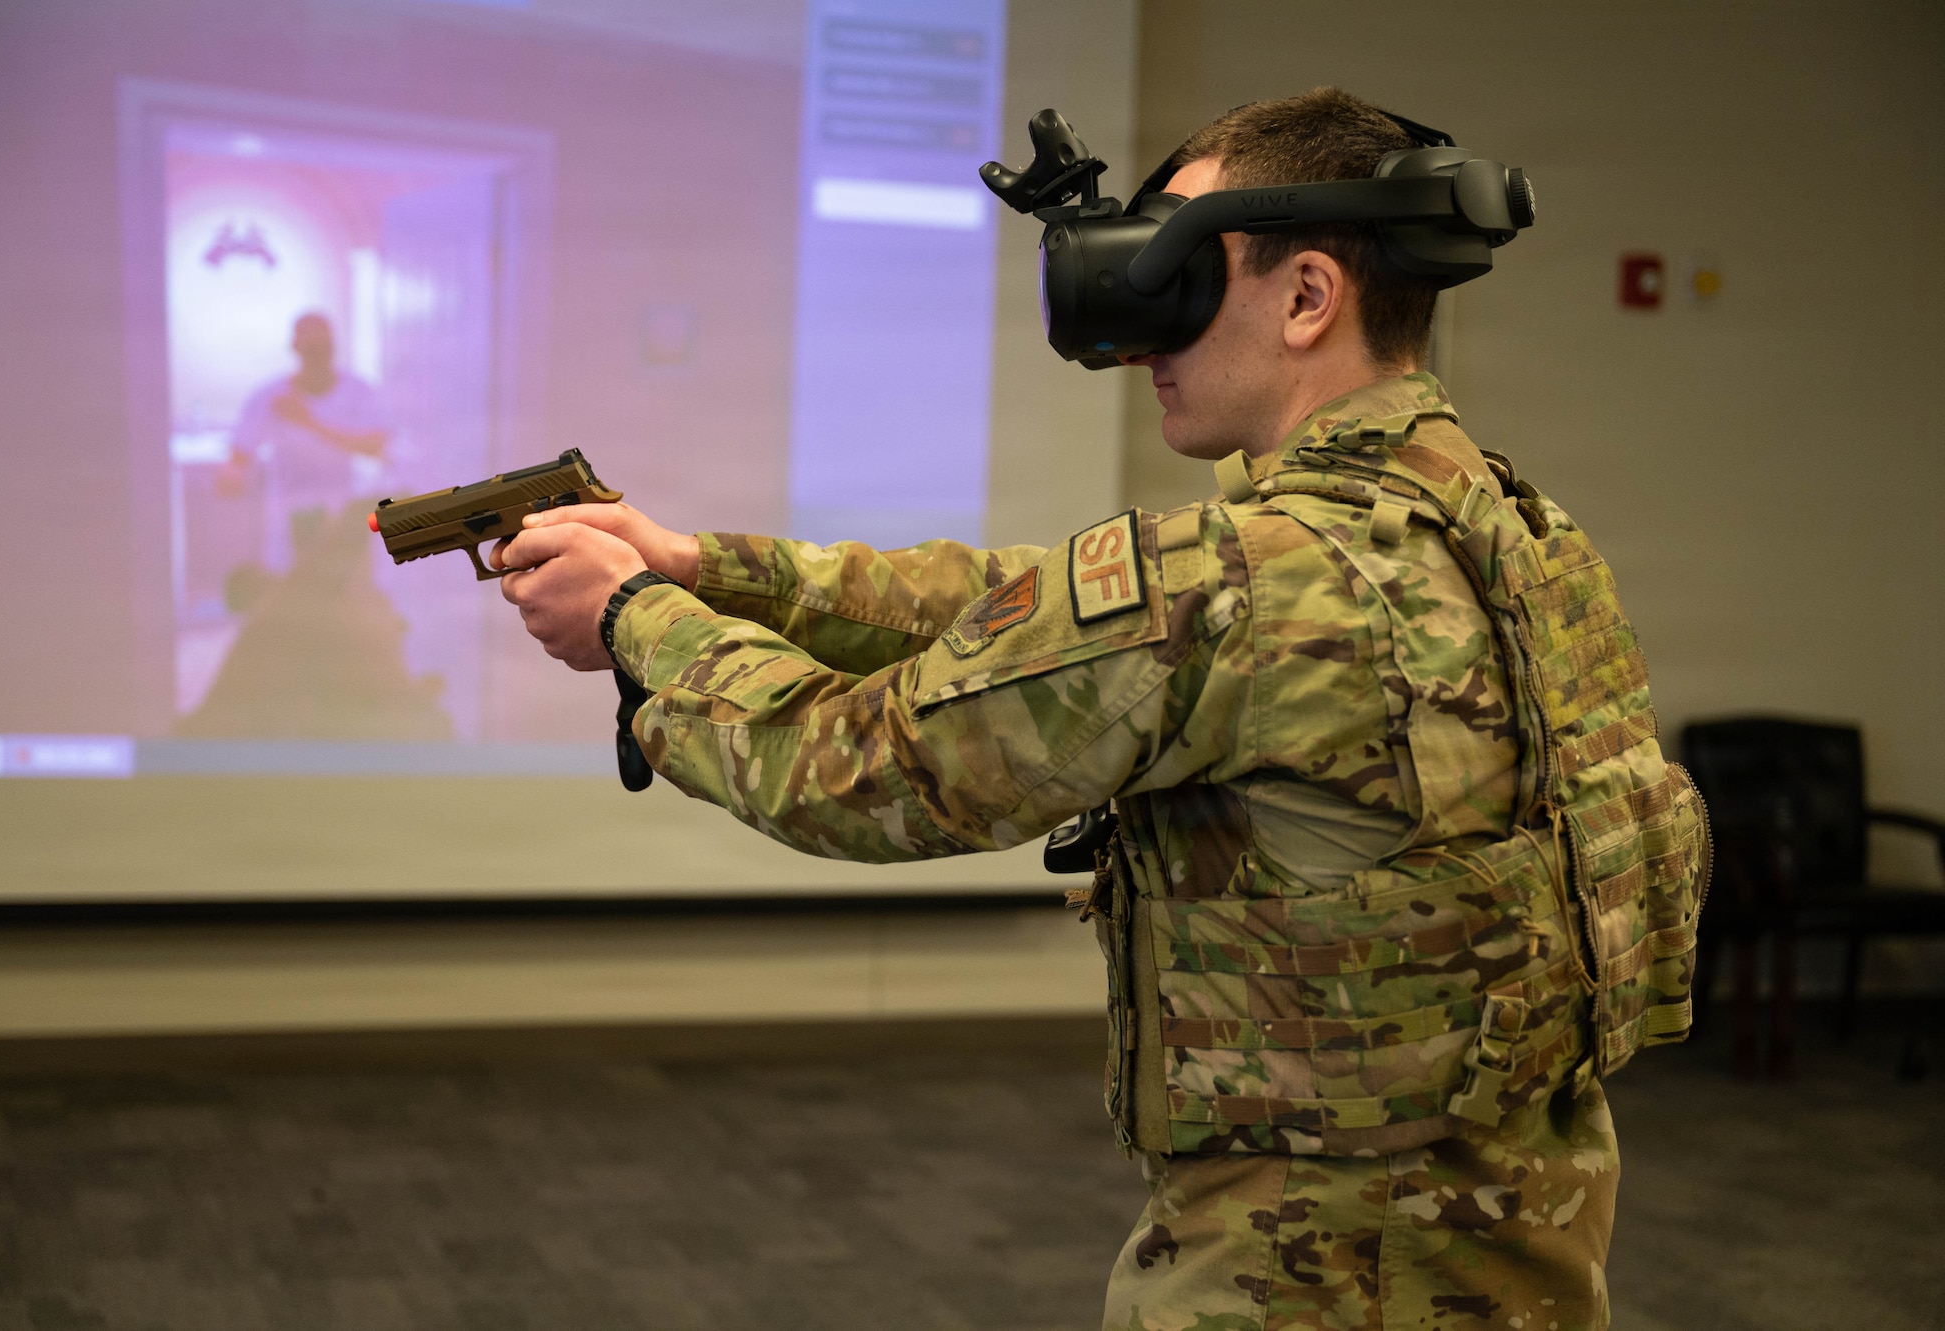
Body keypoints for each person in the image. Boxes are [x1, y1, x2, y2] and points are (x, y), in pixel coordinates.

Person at [489, 89, 1704, 1331]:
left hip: (1301, 1277)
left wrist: (633, 617)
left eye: (1176, 275)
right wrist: (704, 568)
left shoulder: (1239, 581)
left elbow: (853, 770)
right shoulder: (1516, 535)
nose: (1135, 336)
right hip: (1517, 1250)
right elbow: (1027, 608)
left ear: (1306, 297)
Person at [224, 312, 393, 573]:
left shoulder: (357, 391)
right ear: (296, 348)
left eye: (323, 347)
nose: (318, 356)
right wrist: (233, 474)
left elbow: (376, 446)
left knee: (345, 592)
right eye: (311, 348)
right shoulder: (271, 396)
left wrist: (309, 422)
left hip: (343, 524)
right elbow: (239, 455)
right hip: (289, 525)